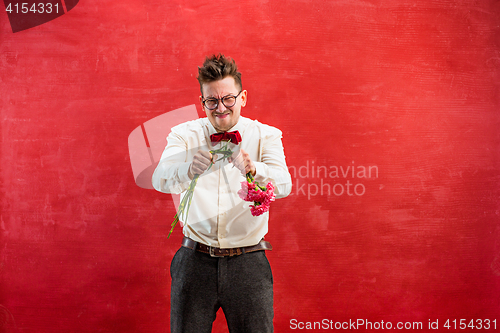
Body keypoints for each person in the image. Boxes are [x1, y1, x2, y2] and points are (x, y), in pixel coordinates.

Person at [152, 54, 292, 333]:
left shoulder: (266, 135)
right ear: (202, 101)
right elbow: (159, 178)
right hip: (194, 261)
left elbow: (285, 184)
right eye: (211, 101)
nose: (220, 108)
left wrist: (255, 168)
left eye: (228, 98)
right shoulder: (183, 134)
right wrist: (187, 169)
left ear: (243, 98)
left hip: (249, 263)